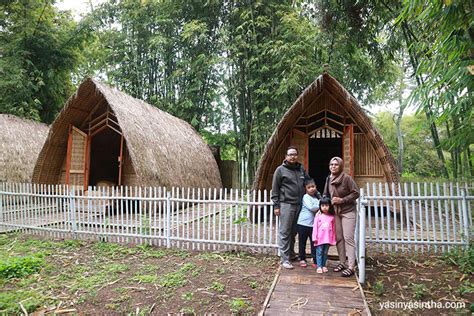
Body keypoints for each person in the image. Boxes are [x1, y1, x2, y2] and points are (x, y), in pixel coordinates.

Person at [271, 146, 309, 269]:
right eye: (290, 154)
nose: (293, 156)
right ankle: (285, 259)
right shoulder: (280, 170)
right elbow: (275, 189)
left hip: (299, 204)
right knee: (285, 231)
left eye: (295, 154)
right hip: (286, 204)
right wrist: (276, 205)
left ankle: (292, 254)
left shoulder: (301, 169)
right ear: (286, 156)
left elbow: (309, 183)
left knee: (294, 231)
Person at [323, 156, 360, 277]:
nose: (333, 166)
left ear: (341, 166)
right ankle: (342, 262)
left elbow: (356, 193)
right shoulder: (329, 179)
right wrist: (323, 208)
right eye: (331, 164)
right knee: (339, 238)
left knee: (348, 237)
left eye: (336, 164)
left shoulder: (347, 178)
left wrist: (342, 200)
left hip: (348, 211)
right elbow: (325, 195)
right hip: (336, 212)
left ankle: (351, 266)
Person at [297, 178, 321, 268]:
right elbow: (312, 207)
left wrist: (319, 203)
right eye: (309, 187)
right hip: (302, 223)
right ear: (305, 189)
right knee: (302, 242)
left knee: (314, 243)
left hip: (313, 225)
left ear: (316, 187)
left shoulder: (315, 198)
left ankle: (315, 260)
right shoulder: (306, 197)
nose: (311, 189)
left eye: (313, 186)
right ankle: (302, 258)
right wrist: (320, 204)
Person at [312, 196, 336, 274]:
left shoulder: (332, 217)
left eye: (326, 205)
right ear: (320, 206)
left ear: (330, 206)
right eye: (322, 206)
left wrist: (333, 238)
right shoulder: (318, 217)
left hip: (328, 238)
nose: (324, 207)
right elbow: (315, 228)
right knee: (319, 252)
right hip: (320, 238)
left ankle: (323, 265)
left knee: (325, 252)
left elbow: (333, 229)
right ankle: (319, 266)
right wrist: (314, 237)